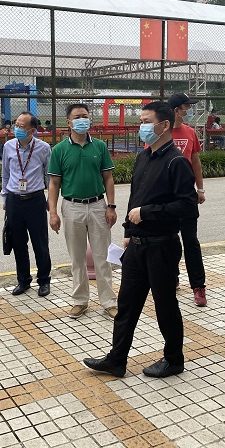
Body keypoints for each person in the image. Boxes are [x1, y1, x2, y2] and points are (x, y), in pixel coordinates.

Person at [83, 101, 197, 378]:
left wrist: (147, 213)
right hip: (136, 245)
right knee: (127, 305)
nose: (142, 127)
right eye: (141, 122)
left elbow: (188, 206)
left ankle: (174, 359)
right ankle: (116, 359)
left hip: (162, 246)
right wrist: (127, 232)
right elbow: (136, 198)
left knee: (165, 305)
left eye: (147, 122)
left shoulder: (177, 162)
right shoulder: (144, 156)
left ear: (164, 125)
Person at [48, 103, 118, 318]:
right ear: (68, 122)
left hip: (98, 206)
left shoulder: (100, 146)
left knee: (102, 257)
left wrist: (111, 206)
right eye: (77, 117)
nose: (82, 120)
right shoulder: (59, 150)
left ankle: (109, 301)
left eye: (85, 116)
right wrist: (53, 212)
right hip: (72, 207)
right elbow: (54, 184)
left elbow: (108, 178)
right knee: (77, 258)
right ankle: (80, 300)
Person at [2, 112, 53, 296]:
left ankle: (44, 280)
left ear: (32, 130)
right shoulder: (8, 146)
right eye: (16, 125)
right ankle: (23, 280)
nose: (17, 129)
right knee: (18, 242)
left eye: (22, 126)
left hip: (35, 200)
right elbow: (5, 174)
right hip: (14, 200)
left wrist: (50, 199)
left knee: (40, 242)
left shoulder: (43, 148)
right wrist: (4, 198)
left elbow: (50, 176)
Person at [167, 93, 207, 307]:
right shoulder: (161, 132)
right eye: (186, 107)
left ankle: (198, 286)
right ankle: (171, 277)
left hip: (187, 197)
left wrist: (200, 189)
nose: (189, 110)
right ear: (176, 110)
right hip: (166, 198)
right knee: (168, 241)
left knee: (191, 242)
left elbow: (195, 161)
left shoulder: (190, 132)